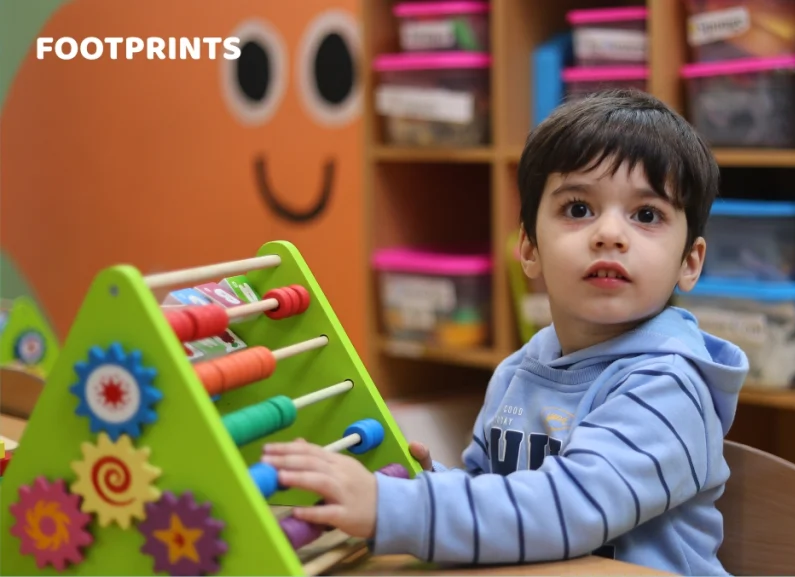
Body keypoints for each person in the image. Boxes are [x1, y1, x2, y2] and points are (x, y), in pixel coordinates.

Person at [262, 89, 749, 575]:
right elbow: (493, 492)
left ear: (689, 263)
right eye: (579, 209)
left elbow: (570, 509)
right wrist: (432, 484)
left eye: (646, 215)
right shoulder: (519, 372)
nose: (609, 234)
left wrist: (395, 507)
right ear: (530, 249)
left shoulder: (670, 387)